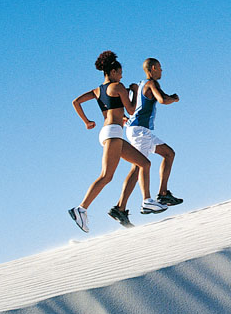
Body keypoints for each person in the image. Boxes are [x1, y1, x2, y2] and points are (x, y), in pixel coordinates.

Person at [69, 50, 166, 232]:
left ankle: (147, 201)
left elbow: (76, 102)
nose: (121, 76)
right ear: (113, 72)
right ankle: (80, 209)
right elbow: (130, 110)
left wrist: (87, 122)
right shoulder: (118, 86)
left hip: (109, 132)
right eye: (120, 73)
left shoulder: (98, 90)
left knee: (144, 163)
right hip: (113, 134)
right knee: (107, 175)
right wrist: (135, 92)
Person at [118, 57, 182, 209]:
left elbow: (132, 107)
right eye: (160, 67)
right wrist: (174, 99)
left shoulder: (141, 85)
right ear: (153, 68)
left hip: (139, 129)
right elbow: (162, 99)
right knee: (138, 166)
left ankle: (163, 193)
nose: (161, 70)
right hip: (139, 131)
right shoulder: (152, 83)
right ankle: (121, 207)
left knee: (169, 154)